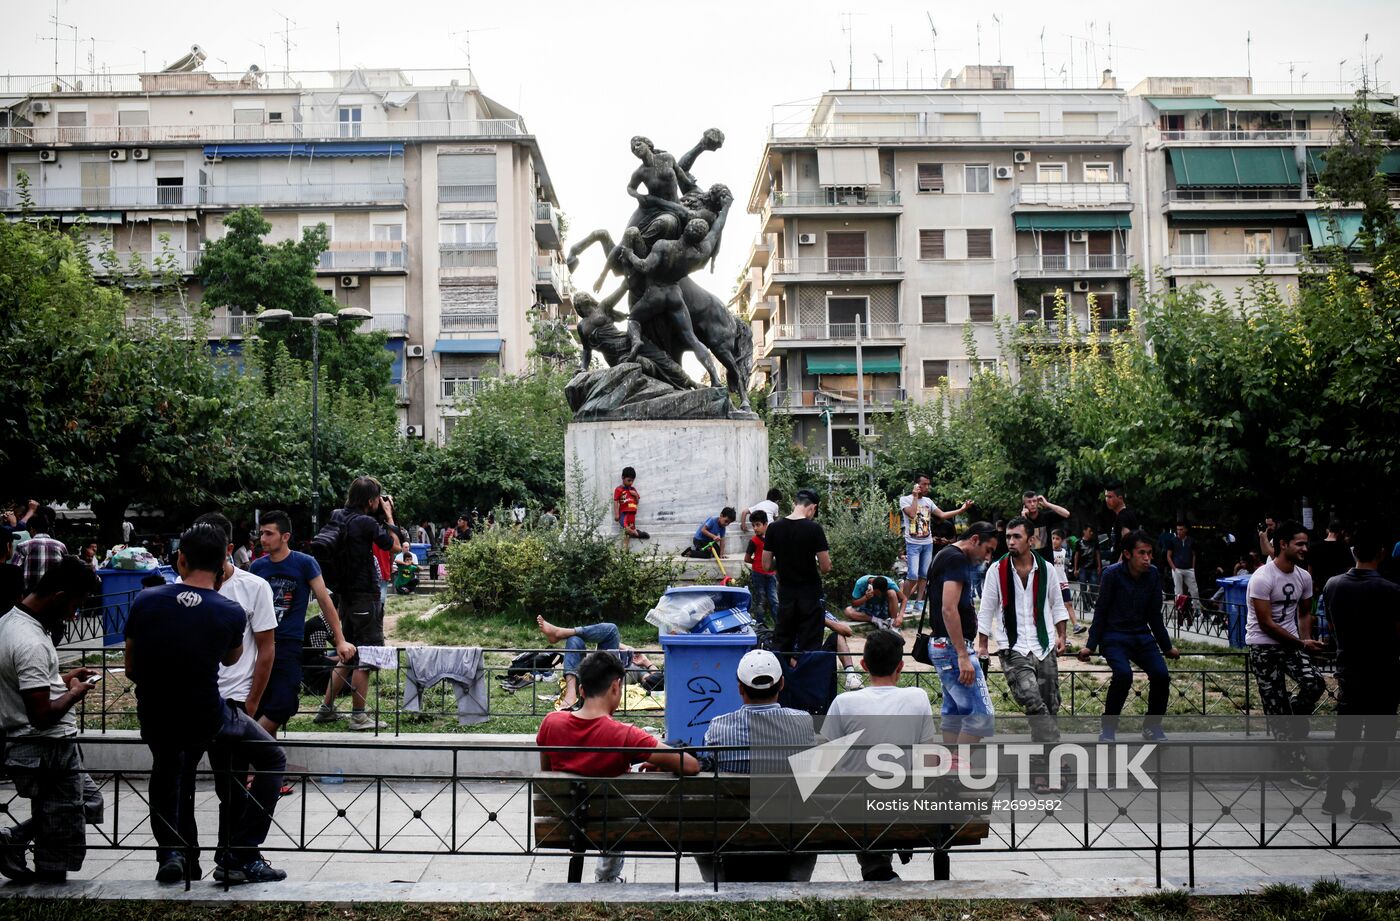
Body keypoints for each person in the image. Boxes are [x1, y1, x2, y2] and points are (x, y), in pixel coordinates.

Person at [125, 523, 287, 885]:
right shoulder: (229, 611)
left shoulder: (146, 601)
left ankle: (173, 854)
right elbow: (231, 659)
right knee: (271, 757)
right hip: (209, 713)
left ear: (180, 560)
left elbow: (131, 667)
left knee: (169, 774)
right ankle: (240, 852)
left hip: (156, 711)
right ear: (222, 563)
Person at [535, 652, 700, 883]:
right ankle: (607, 877)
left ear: (581, 690)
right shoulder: (626, 735)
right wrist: (655, 760)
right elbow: (690, 766)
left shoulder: (550, 723)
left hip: (568, 822)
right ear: (616, 687)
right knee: (616, 809)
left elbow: (548, 775)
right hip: (611, 825)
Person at [0, 556, 103, 884]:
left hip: (45, 746)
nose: (74, 614)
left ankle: (14, 839)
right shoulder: (30, 642)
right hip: (45, 748)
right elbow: (41, 715)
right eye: (76, 605)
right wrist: (75, 692)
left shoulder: (10, 622)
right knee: (58, 839)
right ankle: (48, 891)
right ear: (59, 596)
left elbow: (26, 682)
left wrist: (62, 679)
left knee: (88, 801)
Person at [822, 630, 937, 881]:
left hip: (854, 811)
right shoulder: (918, 698)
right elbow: (928, 761)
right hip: (904, 807)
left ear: (863, 665)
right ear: (901, 667)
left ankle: (878, 868)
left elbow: (823, 766)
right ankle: (880, 867)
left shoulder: (843, 702)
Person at [697, 648, 818, 882]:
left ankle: (717, 881)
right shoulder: (803, 722)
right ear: (782, 684)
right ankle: (797, 882)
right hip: (791, 833)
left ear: (740, 688)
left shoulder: (718, 727)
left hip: (731, 834)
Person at [978, 518, 1069, 792]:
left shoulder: (1047, 569)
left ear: (1031, 540)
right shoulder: (997, 570)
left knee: (1050, 706)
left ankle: (1043, 770)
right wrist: (982, 644)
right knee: (1033, 702)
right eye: (1008, 537)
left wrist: (1062, 635)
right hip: (1012, 646)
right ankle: (1055, 757)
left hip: (1043, 644)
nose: (1011, 542)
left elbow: (1057, 603)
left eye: (1017, 536)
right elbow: (986, 607)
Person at [1321, 521, 1400, 823]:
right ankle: (1364, 802)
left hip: (1349, 671)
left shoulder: (1333, 585)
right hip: (1384, 674)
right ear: (1381, 553)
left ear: (1353, 551)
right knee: (1377, 741)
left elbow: (1332, 626)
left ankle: (1332, 796)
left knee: (1345, 736)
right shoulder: (1391, 591)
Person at [252, 511, 355, 740]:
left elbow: (324, 600)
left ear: (285, 536)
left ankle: (248, 745)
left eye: (269, 533)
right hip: (259, 642)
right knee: (263, 702)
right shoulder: (257, 567)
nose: (263, 539)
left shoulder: (304, 563)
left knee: (285, 701)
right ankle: (262, 761)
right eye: (261, 533)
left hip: (289, 643)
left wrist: (339, 639)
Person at [1079, 530, 1181, 742]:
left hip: (1141, 636)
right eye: (1141, 553)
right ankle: (1108, 728)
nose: (1147, 558)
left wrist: (1167, 646)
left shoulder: (1153, 574)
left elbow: (1155, 615)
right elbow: (1101, 610)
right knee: (1124, 675)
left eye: (1150, 553)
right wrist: (1090, 645)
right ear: (1127, 554)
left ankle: (1152, 726)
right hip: (1113, 637)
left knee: (1161, 675)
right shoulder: (1112, 574)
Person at [1246, 520, 1326, 785]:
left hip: (1292, 645)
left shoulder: (1304, 577)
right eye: (1299, 543)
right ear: (1283, 545)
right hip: (1263, 646)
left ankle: (1295, 710)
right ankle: (1296, 768)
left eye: (1306, 543)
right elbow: (1266, 624)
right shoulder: (1262, 577)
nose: (1305, 548)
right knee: (1278, 712)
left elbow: (1304, 613)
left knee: (1315, 683)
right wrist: (1301, 644)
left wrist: (1306, 642)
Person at [319, 477, 399, 732]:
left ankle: (326, 709)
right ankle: (359, 716)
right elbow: (394, 545)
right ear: (371, 500)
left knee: (349, 652)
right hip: (365, 596)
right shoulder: (366, 522)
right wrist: (388, 515)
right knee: (367, 657)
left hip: (345, 596)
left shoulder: (337, 516)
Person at [925, 522, 999, 747]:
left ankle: (949, 772)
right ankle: (957, 771)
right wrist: (962, 654)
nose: (988, 558)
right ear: (975, 539)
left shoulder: (944, 555)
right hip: (952, 647)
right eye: (988, 550)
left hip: (942, 645)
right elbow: (949, 609)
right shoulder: (956, 559)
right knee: (981, 715)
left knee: (954, 711)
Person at [762, 489, 832, 655]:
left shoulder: (774, 528)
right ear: (812, 507)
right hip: (810, 594)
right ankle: (807, 678)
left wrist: (783, 561)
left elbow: (766, 565)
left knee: (783, 641)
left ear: (795, 504)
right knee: (809, 644)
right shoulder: (814, 529)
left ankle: (783, 678)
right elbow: (825, 567)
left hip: (786, 593)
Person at [536, 616, 657, 711]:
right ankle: (571, 692)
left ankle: (560, 633)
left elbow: (657, 680)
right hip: (592, 669)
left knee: (612, 629)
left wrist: (646, 662)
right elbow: (608, 639)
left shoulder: (639, 669)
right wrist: (625, 648)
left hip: (606, 682)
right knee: (575, 640)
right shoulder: (626, 651)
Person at [899, 476, 971, 616]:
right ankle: (905, 602)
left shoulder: (928, 501)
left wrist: (962, 509)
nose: (927, 487)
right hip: (913, 542)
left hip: (927, 542)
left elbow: (943, 515)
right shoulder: (905, 500)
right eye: (924, 484)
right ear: (917, 485)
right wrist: (914, 496)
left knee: (924, 574)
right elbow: (912, 514)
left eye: (928, 484)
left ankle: (919, 603)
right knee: (912, 574)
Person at [8, 506, 66, 596]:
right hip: (54, 598)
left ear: (32, 529)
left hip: (29, 598)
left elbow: (13, 573)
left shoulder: (23, 546)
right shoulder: (61, 546)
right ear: (47, 529)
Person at [744, 510, 778, 627]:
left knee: (774, 600)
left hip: (771, 574)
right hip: (758, 573)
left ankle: (778, 624)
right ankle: (760, 624)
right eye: (753, 525)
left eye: (758, 525)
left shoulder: (773, 538)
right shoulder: (754, 541)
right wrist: (758, 563)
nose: (755, 528)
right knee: (761, 599)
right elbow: (747, 558)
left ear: (765, 524)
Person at [1049, 529, 1085, 635]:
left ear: (1062, 541)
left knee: (1068, 603)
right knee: (1053, 607)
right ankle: (1056, 633)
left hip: (1063, 581)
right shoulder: (1048, 553)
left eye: (1057, 539)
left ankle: (1076, 625)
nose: (1054, 541)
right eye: (1053, 538)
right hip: (1052, 583)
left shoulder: (1064, 552)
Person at [1165, 523, 1201, 620]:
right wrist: (1174, 568)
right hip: (1178, 568)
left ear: (1185, 530)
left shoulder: (1191, 541)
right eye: (1178, 529)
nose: (1179, 531)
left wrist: (1192, 568)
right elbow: (1168, 555)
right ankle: (1180, 611)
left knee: (1194, 590)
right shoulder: (1172, 541)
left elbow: (1194, 554)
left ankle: (1197, 610)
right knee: (1178, 591)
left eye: (1181, 529)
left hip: (1188, 568)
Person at [1103, 483, 1139, 564]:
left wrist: (1119, 566)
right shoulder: (1125, 514)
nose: (1107, 500)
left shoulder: (1123, 516)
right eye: (1106, 496)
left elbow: (1127, 542)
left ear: (1120, 498)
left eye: (1110, 497)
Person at [612, 467, 649, 542]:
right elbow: (616, 501)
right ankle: (636, 533)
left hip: (632, 513)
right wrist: (616, 514)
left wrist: (635, 495)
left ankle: (625, 551)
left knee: (627, 532)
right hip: (624, 512)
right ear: (623, 478)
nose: (631, 483)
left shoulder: (633, 489)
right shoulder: (619, 489)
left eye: (632, 481)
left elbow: (637, 501)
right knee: (625, 526)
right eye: (629, 480)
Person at [1075, 523, 1103, 591]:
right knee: (1083, 587)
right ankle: (1085, 601)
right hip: (1083, 568)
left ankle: (1092, 601)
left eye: (1092, 531)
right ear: (1084, 531)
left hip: (1093, 568)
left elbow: (1097, 554)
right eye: (1089, 531)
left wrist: (1099, 566)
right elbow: (1076, 556)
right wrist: (1075, 569)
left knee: (1094, 587)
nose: (1091, 533)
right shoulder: (1079, 542)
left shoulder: (1095, 542)